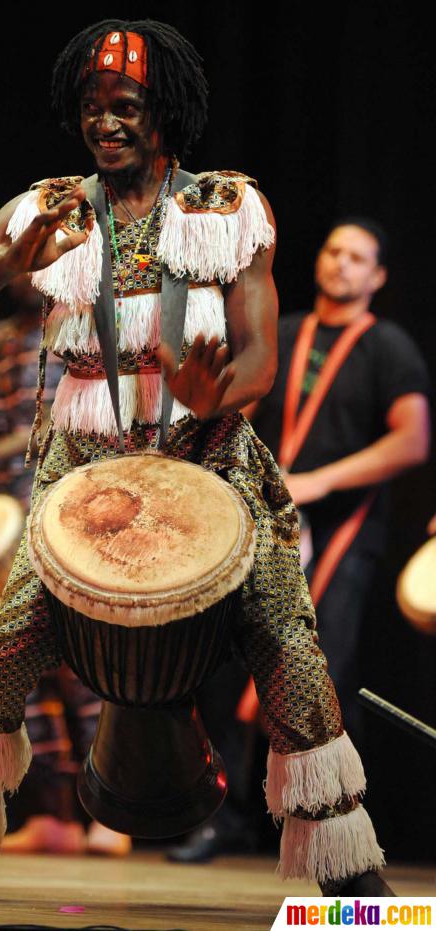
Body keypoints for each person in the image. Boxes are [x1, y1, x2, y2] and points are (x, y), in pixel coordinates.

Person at [0, 21, 393, 898]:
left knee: (289, 645)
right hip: (82, 485)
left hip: (209, 466)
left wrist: (211, 393)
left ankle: (354, 882)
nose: (104, 123)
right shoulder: (46, 210)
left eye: (127, 107)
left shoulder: (226, 209)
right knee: (2, 649)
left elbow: (259, 356)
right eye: (91, 108)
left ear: (167, 112)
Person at [166, 219, 432, 865]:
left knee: (323, 674)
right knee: (230, 670)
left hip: (344, 531)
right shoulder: (283, 336)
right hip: (267, 525)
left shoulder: (387, 347)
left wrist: (317, 481)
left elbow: (413, 439)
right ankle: (226, 820)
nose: (342, 263)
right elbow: (233, 418)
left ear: (378, 276)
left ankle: (336, 825)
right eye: (333, 250)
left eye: (358, 257)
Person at [0, 278, 127, 856]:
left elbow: (73, 415)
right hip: (14, 510)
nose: (24, 274)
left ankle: (107, 814)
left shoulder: (85, 326)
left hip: (75, 501)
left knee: (86, 665)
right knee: (29, 674)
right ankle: (57, 814)